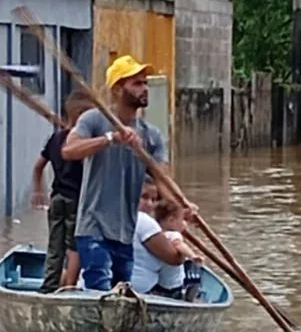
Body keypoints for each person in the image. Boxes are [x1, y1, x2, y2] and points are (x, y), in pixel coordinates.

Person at [63, 54, 186, 291]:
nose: (145, 89)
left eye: (145, 83)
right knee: (99, 289)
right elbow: (70, 150)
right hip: (94, 227)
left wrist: (182, 206)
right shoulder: (94, 120)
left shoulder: (151, 135)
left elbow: (163, 179)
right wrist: (111, 139)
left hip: (125, 231)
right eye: (137, 83)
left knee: (122, 293)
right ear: (118, 90)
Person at [31, 90, 93, 292]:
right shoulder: (83, 144)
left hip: (57, 198)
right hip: (76, 200)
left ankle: (48, 287)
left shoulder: (56, 138)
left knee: (55, 245)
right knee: (75, 246)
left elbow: (38, 166)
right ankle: (69, 287)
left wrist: (38, 190)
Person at [131, 196, 204, 299]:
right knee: (194, 277)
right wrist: (193, 256)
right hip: (173, 286)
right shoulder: (173, 235)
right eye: (183, 220)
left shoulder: (156, 234)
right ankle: (191, 299)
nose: (185, 224)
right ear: (170, 220)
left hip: (159, 284)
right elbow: (179, 245)